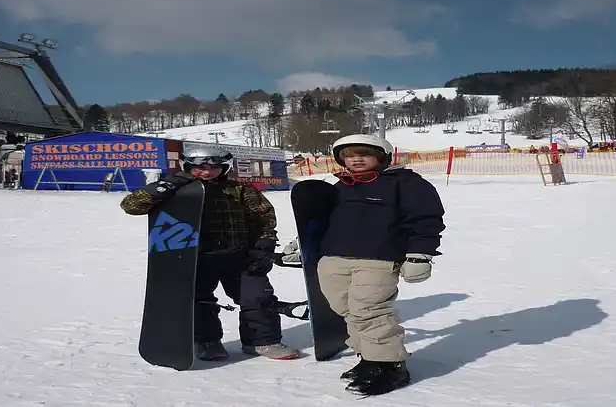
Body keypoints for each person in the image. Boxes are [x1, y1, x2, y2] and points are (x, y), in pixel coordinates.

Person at [119, 147, 300, 361]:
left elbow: (263, 216)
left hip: (238, 255)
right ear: (188, 166)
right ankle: (207, 341)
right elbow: (131, 206)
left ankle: (263, 341)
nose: (207, 172)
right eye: (200, 168)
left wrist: (265, 244)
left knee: (257, 296)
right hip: (196, 257)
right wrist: (165, 187)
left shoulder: (239, 189)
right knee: (200, 300)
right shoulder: (176, 189)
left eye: (214, 168)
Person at [317, 134, 446, 396]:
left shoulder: (405, 183)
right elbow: (319, 220)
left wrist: (420, 254)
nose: (356, 158)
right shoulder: (339, 186)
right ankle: (369, 358)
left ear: (382, 156)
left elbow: (425, 219)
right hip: (335, 258)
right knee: (347, 310)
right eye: (349, 155)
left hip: (378, 258)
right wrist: (301, 244)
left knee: (370, 311)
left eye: (363, 153)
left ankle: (390, 365)